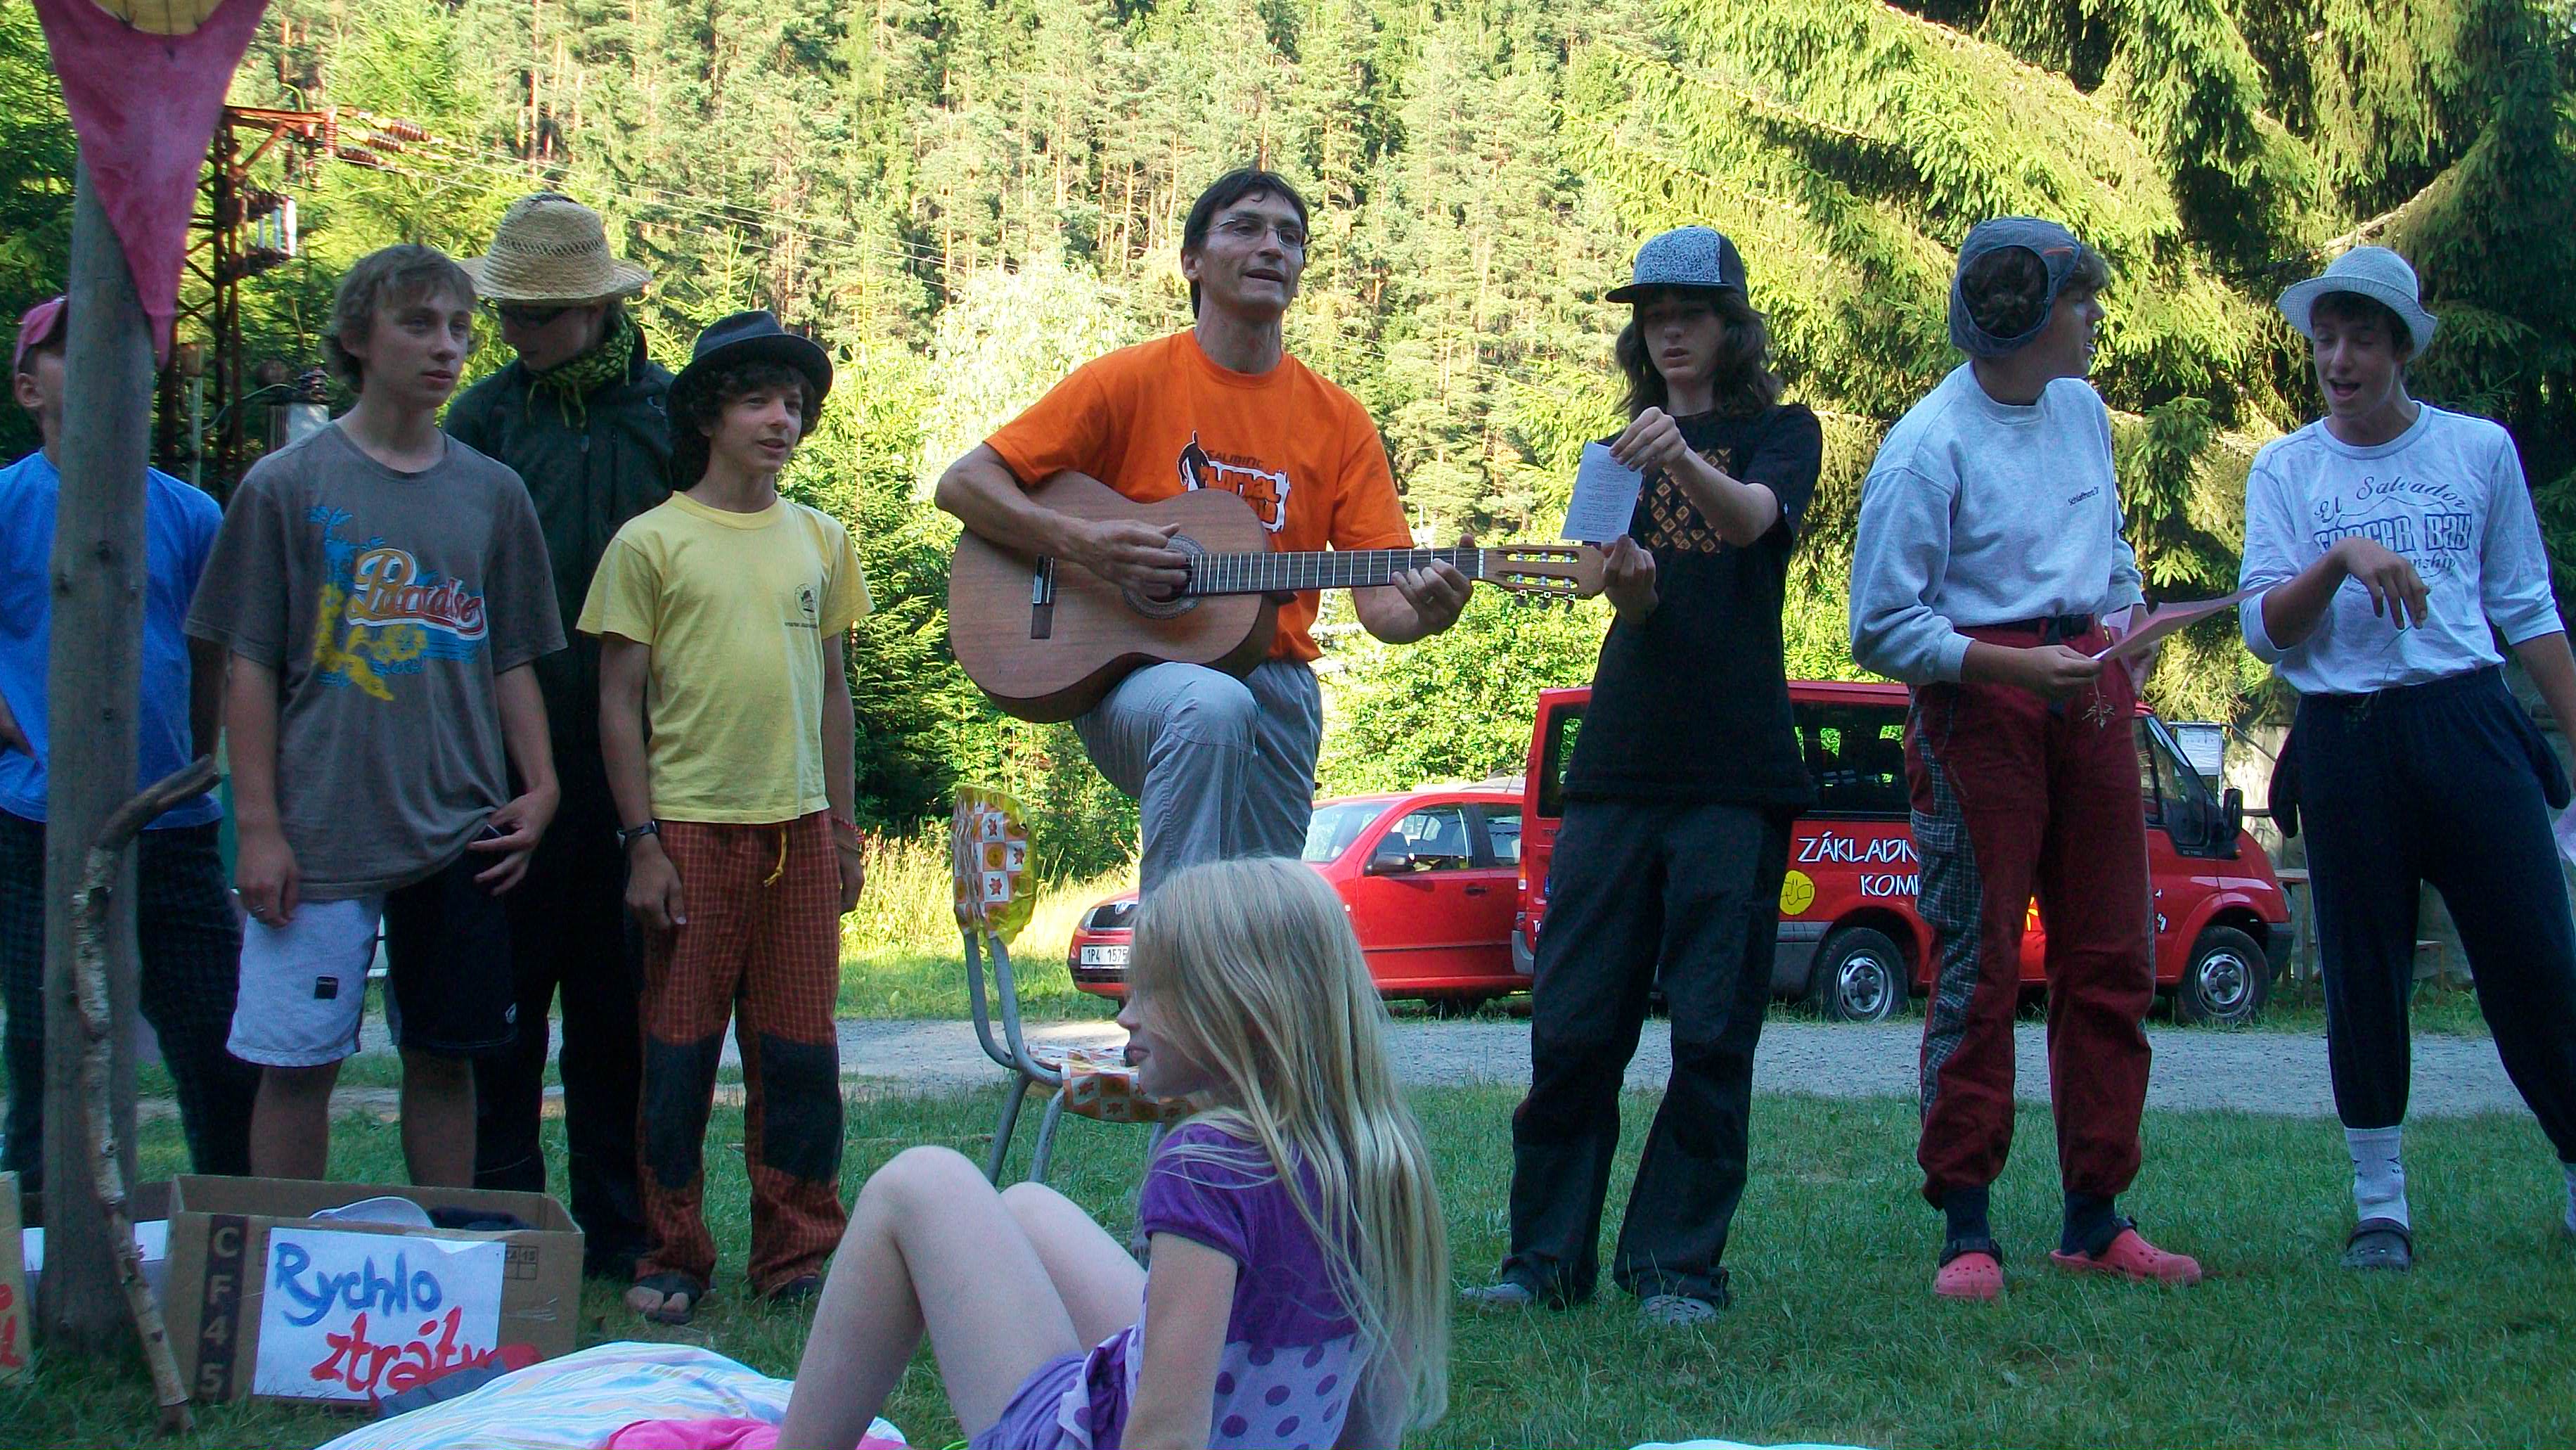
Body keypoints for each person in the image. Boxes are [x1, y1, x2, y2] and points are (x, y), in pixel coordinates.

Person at [773, 856, 1450, 1450]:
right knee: (1027, 1207)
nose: (1126, 1015)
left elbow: (1165, 1436)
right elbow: (1368, 1424)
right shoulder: (1378, 1159)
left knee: (921, 1181)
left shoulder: (1208, 1168)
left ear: (1241, 1007)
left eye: (1153, 991)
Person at [1463, 229, 1820, 1326]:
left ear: (1731, 326)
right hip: (1619, 763)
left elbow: (1752, 522)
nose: (1668, 329)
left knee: (1711, 1030)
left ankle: (1676, 1267)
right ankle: (1542, 1260)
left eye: (1690, 311)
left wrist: (1681, 458)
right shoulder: (1612, 451)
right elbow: (1603, 582)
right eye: (1653, 313)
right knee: (1573, 1020)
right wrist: (1632, 583)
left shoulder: (1783, 433)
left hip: (1736, 770)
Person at [934, 168, 1471, 894]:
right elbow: (964, 484)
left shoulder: (1339, 420)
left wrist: (1431, 610)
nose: (1273, 246)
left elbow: (1383, 608)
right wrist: (1084, 544)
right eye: (1246, 227)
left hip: (1276, 682)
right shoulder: (1127, 381)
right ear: (1191, 260)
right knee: (1212, 704)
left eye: (1290, 237)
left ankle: (1227, 962)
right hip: (1133, 680)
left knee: (1262, 909)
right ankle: (1171, 949)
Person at [1848, 217, 2201, 1299]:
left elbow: (2108, 545)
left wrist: (2126, 615)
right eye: (2080, 301)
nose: (2095, 319)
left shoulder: (2082, 410)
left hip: (2087, 689)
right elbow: (1879, 626)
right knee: (1983, 960)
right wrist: (2009, 669)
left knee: (2111, 953)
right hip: (1980, 708)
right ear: (2029, 316)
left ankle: (2096, 1215)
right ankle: (1966, 1223)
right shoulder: (1928, 446)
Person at [184, 244, 565, 1186]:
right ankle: (284, 1253)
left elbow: (512, 654)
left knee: (446, 1058)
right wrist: (258, 827)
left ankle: (438, 1258)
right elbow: (246, 666)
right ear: (357, 337)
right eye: (420, 323)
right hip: (319, 831)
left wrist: (544, 784)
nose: (447, 347)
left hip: (460, 826)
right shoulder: (286, 485)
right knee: (296, 1063)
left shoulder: (493, 492)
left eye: (461, 329)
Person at [2237, 246, 2576, 1270]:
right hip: (2346, 737)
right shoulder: (2286, 468)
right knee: (2362, 967)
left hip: (2468, 720)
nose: (2338, 360)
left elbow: (2524, 606)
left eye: (2360, 341)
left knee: (2536, 957)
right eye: (2324, 341)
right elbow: (2265, 630)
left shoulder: (2477, 450)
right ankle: (2380, 1204)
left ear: (2400, 350)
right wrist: (2342, 558)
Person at [581, 310, 868, 1323]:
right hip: (690, 832)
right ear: (707, 415)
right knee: (679, 1051)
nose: (780, 420)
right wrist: (642, 844)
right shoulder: (650, 541)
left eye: (793, 404)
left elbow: (834, 694)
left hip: (800, 832)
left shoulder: (823, 539)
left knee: (799, 1051)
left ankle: (797, 1252)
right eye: (756, 401)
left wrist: (842, 829)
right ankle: (673, 1253)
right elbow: (616, 704)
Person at [446, 191, 666, 1279]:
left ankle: (620, 1233)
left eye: (535, 314)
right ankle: (504, 1232)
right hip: (503, 764)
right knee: (504, 1008)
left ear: (594, 308)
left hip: (640, 764)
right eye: (506, 313)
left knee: (616, 1013)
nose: (514, 332)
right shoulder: (480, 421)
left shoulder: (670, 417)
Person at [0, 295, 259, 1189]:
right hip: (40, 822)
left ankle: (223, 1228)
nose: (105, 366)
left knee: (219, 1044)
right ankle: (45, 1236)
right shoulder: (8, 503)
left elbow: (212, 655)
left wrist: (193, 765)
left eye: (125, 348)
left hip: (173, 826)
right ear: (30, 388)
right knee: (47, 1044)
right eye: (73, 352)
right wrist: (22, 727)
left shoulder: (190, 513)